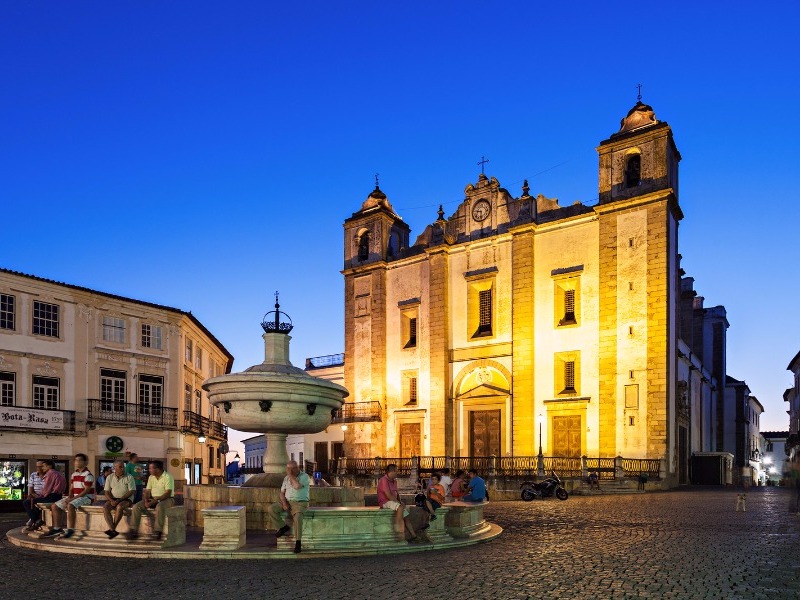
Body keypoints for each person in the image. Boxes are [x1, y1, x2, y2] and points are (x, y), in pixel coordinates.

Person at [42, 453, 95, 539]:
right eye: (75, 460)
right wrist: (69, 497)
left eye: (79, 460)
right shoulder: (74, 474)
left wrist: (71, 500)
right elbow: (71, 489)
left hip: (87, 498)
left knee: (70, 505)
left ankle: (71, 529)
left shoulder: (88, 475)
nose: (76, 462)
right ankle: (57, 528)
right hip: (75, 497)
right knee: (54, 506)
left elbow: (86, 491)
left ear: (84, 462)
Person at [267, 460, 310, 554]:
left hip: (300, 503)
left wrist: (290, 475)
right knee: (271, 509)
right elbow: (282, 493)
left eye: (290, 469)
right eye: (288, 469)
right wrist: (284, 503)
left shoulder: (304, 477)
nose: (288, 471)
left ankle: (298, 542)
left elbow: (297, 486)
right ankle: (283, 527)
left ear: (296, 468)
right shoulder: (286, 478)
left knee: (298, 517)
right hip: (287, 501)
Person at [377, 464, 426, 543]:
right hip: (385, 502)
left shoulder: (394, 481)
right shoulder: (383, 480)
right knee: (400, 508)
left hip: (393, 502)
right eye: (396, 471)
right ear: (392, 471)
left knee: (406, 516)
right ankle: (399, 534)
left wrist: (400, 501)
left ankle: (414, 536)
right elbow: (388, 495)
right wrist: (399, 503)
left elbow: (397, 493)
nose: (397, 473)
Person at [126, 460, 174, 541]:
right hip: (153, 498)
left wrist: (156, 501)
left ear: (157, 469)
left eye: (150, 468)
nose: (149, 470)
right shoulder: (151, 477)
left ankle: (158, 531)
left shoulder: (168, 476)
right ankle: (133, 530)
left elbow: (168, 493)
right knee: (137, 506)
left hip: (167, 499)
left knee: (159, 507)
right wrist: (146, 500)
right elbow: (147, 491)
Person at [27, 460, 66, 531]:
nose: (42, 468)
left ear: (49, 466)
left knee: (27, 502)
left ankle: (36, 520)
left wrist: (41, 496)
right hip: (58, 496)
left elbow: (48, 488)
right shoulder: (59, 473)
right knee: (35, 502)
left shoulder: (50, 473)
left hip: (52, 496)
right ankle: (35, 521)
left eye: (43, 466)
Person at [103, 459, 136, 538]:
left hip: (126, 499)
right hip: (113, 498)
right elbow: (106, 491)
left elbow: (131, 491)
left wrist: (120, 500)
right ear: (115, 468)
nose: (123, 469)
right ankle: (113, 530)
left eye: (123, 467)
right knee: (105, 507)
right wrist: (111, 500)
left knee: (119, 507)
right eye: (120, 467)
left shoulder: (129, 477)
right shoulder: (109, 477)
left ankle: (112, 529)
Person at [22, 460, 46, 530]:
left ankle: (33, 520)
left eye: (40, 466)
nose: (38, 468)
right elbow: (30, 487)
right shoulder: (33, 475)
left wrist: (41, 495)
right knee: (28, 501)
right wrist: (33, 494)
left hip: (45, 495)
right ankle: (35, 519)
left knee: (36, 503)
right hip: (35, 494)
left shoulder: (48, 475)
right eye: (37, 466)